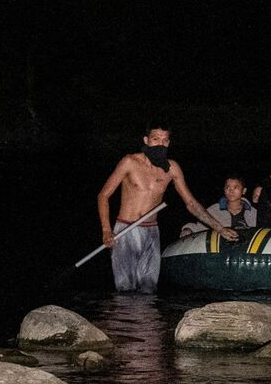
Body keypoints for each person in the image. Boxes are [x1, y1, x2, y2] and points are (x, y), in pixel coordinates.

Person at [97, 124, 235, 291]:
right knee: (126, 289)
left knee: (149, 289)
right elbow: (103, 195)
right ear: (146, 140)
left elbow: (191, 203)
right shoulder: (129, 162)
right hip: (126, 230)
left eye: (165, 140)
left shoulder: (172, 168)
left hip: (152, 232)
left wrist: (219, 228)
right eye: (156, 139)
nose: (160, 144)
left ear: (169, 143)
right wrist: (106, 230)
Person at [181, 176, 258, 237]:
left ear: (244, 191)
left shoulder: (253, 212)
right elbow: (199, 227)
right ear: (224, 190)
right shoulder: (214, 210)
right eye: (227, 187)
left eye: (235, 187)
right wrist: (188, 229)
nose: (231, 190)